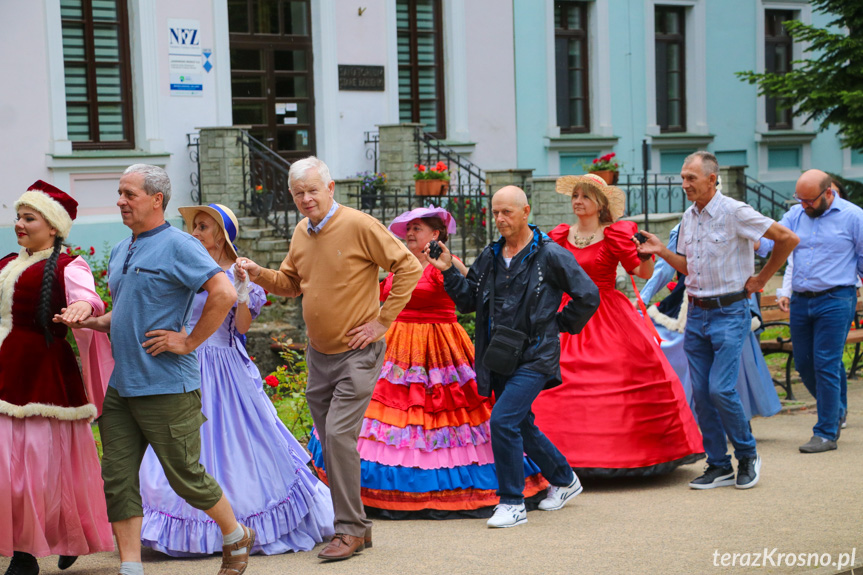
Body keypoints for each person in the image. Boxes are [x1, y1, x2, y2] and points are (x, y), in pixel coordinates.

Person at [57, 165, 255, 575]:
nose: (120, 201)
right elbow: (128, 310)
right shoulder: (120, 249)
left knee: (185, 476)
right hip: (122, 387)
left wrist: (188, 341)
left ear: (156, 200)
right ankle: (131, 567)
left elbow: (224, 292)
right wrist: (95, 321)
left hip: (167, 385)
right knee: (118, 478)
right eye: (120, 193)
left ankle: (235, 534)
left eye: (129, 194)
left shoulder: (181, 245)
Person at [236, 157, 422, 560]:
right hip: (320, 354)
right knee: (333, 441)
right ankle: (358, 527)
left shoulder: (358, 224)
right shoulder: (301, 232)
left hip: (358, 351)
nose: (306, 199)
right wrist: (257, 271)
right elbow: (290, 285)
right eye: (299, 193)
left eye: (312, 190)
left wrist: (381, 321)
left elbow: (408, 266)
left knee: (338, 437)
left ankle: (350, 530)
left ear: (330, 187)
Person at [307, 207, 548, 517]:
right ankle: (365, 488)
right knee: (382, 413)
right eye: (408, 228)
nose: (409, 233)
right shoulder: (399, 265)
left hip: (442, 347)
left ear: (435, 234)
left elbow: (479, 293)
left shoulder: (444, 264)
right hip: (395, 347)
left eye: (417, 228)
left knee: (449, 415)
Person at [138, 203, 335, 555]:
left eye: (203, 227)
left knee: (236, 442)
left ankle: (238, 524)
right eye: (194, 226)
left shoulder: (236, 272)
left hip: (226, 367)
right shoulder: (186, 268)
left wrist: (243, 289)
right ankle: (186, 526)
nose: (195, 232)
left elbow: (242, 328)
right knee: (181, 442)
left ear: (221, 235)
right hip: (186, 363)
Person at [426, 186, 600, 529]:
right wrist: (447, 270)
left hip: (536, 354)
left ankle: (512, 502)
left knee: (503, 420)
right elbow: (468, 302)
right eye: (495, 213)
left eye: (507, 212)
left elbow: (588, 296)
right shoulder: (491, 256)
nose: (500, 219)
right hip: (500, 354)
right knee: (520, 422)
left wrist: (558, 325)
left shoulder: (550, 254)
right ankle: (564, 478)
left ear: (526, 211)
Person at [636, 151, 798, 491]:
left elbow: (787, 239)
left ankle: (748, 455)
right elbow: (687, 269)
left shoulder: (735, 211)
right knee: (701, 393)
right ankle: (719, 465)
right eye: (682, 178)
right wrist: (661, 251)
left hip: (730, 312)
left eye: (691, 178)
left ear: (712, 179)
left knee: (720, 387)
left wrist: (762, 279)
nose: (684, 184)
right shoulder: (689, 217)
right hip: (696, 313)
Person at [531, 174, 704, 477]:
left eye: (585, 196)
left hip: (607, 312)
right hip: (567, 314)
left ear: (600, 204)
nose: (578, 201)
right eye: (575, 195)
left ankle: (625, 454)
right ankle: (551, 455)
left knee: (621, 370)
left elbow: (643, 272)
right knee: (551, 376)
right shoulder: (558, 236)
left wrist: (646, 254)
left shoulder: (614, 235)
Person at [0, 181, 114, 575]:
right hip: (5, 367)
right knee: (7, 466)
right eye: (18, 216)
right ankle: (21, 544)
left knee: (43, 466)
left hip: (44, 373)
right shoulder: (6, 264)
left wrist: (81, 308)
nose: (19, 224)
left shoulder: (70, 265)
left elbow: (89, 298)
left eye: (28, 218)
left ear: (52, 227)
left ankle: (31, 552)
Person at [757, 170, 863, 453]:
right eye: (799, 200)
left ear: (829, 193)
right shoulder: (795, 214)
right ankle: (837, 409)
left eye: (809, 201)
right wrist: (751, 237)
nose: (804, 206)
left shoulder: (854, 217)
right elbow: (768, 244)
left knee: (826, 362)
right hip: (802, 301)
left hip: (837, 299)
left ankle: (826, 432)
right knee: (805, 363)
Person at [642, 222, 782, 421]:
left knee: (734, 363)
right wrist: (643, 298)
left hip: (732, 303)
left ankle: (735, 419)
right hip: (692, 302)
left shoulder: (736, 216)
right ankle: (691, 417)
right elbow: (665, 267)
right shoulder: (685, 225)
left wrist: (749, 239)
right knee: (686, 356)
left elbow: (769, 244)